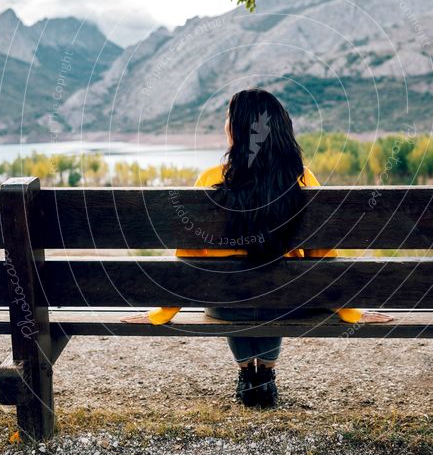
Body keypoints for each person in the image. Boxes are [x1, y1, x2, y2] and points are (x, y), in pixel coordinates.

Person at [123, 89, 392, 406]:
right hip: (286, 301)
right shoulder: (303, 180)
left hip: (225, 303)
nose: (225, 123)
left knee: (235, 289)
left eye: (228, 118)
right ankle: (264, 374)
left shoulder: (210, 179)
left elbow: (189, 261)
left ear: (237, 129)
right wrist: (351, 311)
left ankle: (247, 374)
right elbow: (323, 258)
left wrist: (162, 313)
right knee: (275, 287)